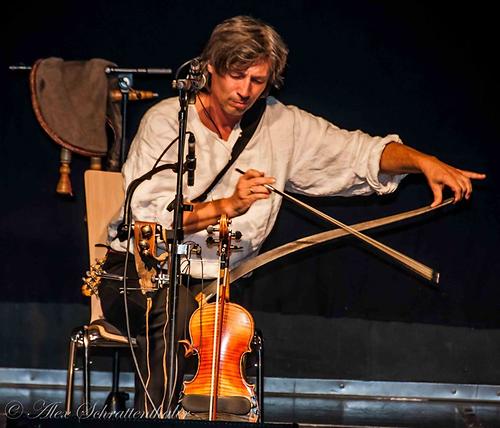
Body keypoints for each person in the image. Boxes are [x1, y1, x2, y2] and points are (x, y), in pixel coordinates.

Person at [98, 15, 485, 420]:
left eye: (258, 80)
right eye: (236, 75)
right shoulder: (166, 120)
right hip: (136, 273)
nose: (245, 91)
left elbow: (358, 153)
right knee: (181, 315)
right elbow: (148, 219)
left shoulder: (281, 125)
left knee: (220, 320)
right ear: (209, 68)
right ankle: (156, 416)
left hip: (216, 284)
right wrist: (226, 206)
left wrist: (422, 162)